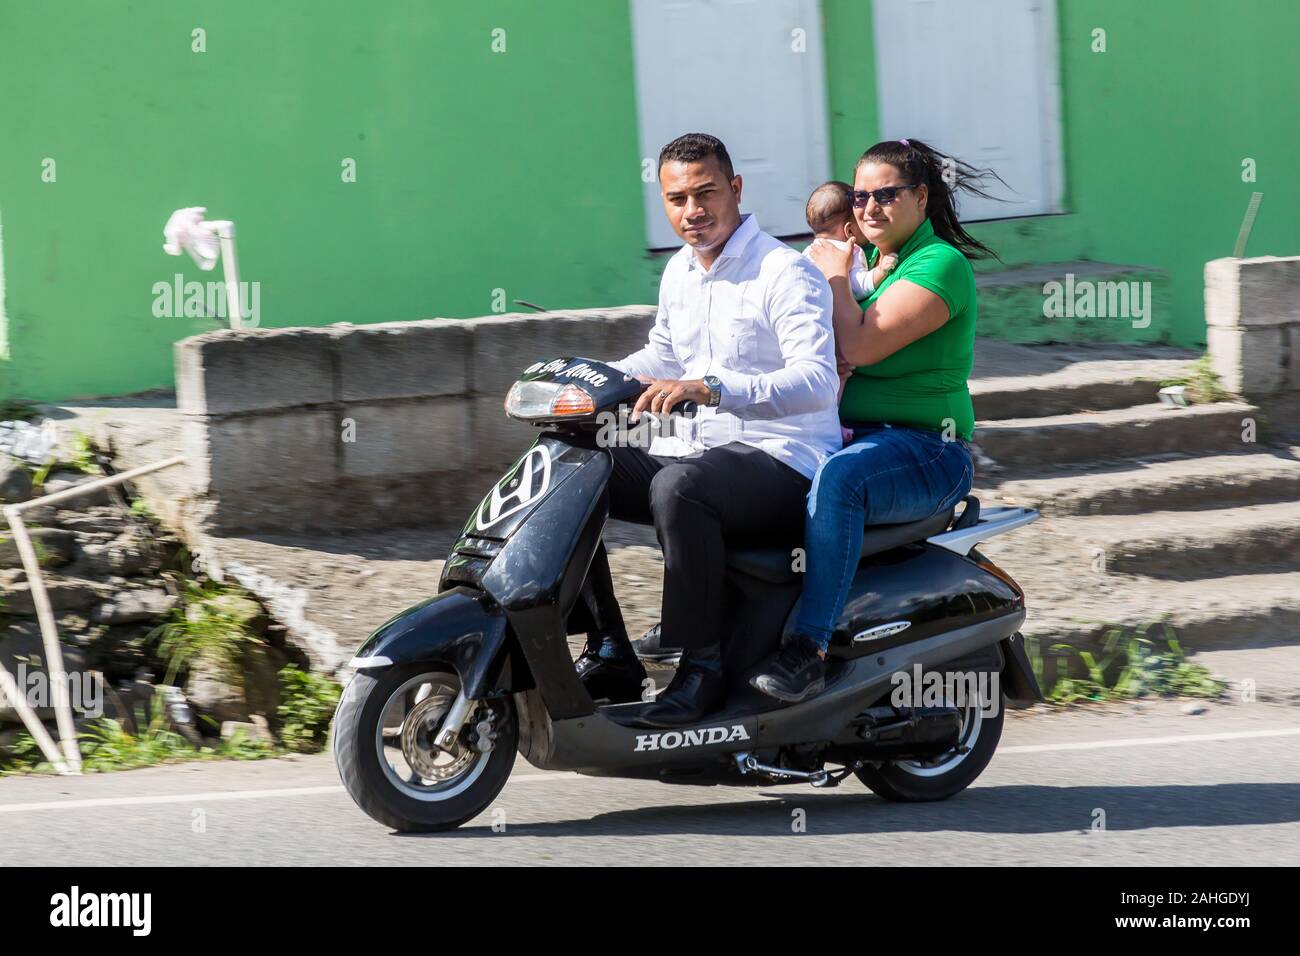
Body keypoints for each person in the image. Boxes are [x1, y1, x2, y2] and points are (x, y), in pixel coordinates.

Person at [578, 132, 841, 728]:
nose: (692, 211)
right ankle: (611, 649)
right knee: (576, 465)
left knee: (680, 488)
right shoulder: (679, 271)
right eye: (677, 199)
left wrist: (714, 388)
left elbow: (817, 381)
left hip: (784, 458)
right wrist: (591, 381)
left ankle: (701, 672)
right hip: (703, 452)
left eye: (706, 193)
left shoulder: (784, 272)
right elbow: (664, 355)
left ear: (736, 190)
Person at [750, 137, 1002, 703]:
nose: (868, 209)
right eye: (860, 197)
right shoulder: (864, 262)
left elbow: (860, 347)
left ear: (922, 196)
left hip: (924, 448)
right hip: (841, 434)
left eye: (885, 195)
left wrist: (836, 277)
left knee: (842, 481)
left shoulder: (939, 264)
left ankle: (807, 651)